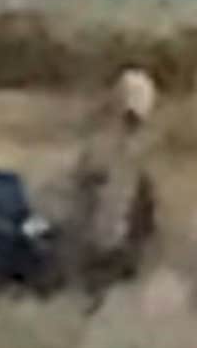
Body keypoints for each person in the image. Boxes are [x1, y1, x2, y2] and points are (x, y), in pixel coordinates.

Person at [66, 66, 162, 306]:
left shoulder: (103, 148)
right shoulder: (134, 154)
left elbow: (80, 192)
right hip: (108, 250)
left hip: (101, 249)